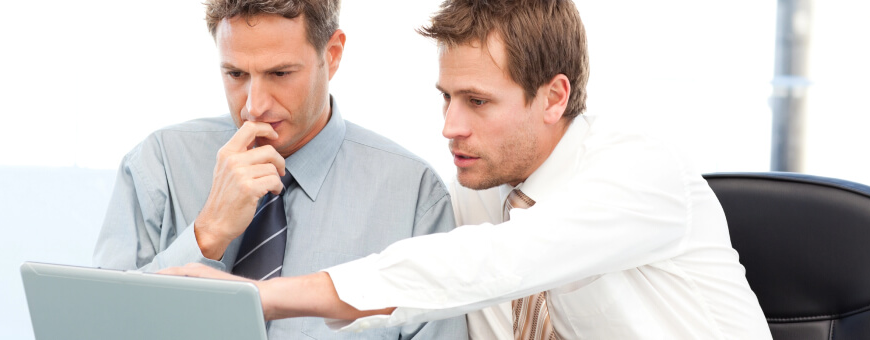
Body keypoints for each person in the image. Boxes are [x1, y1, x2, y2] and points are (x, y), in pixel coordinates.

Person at [162, 0, 772, 338]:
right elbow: (419, 291)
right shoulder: (477, 195)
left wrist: (262, 300)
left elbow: (487, 264)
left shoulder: (641, 173)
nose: (450, 126)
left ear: (554, 97)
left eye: (478, 102)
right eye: (445, 97)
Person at [93, 0, 467, 338]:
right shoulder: (158, 164)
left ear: (332, 54)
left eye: (280, 74)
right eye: (236, 74)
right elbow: (96, 327)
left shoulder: (414, 196)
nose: (254, 106)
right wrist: (208, 232)